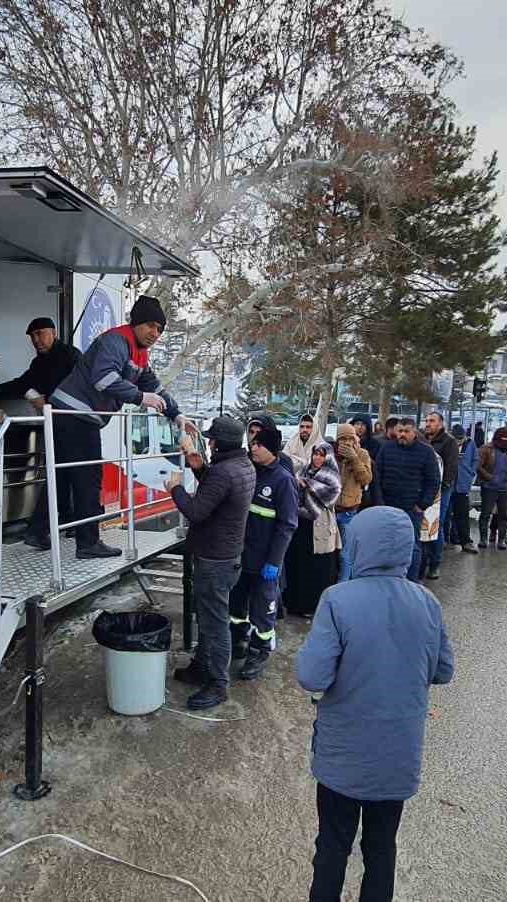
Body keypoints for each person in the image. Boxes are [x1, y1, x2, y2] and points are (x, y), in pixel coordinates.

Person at [297, 506, 455, 902]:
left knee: (333, 846)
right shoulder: (427, 603)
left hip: (342, 756)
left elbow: (312, 676)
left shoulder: (337, 600)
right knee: (382, 850)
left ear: (358, 545)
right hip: (397, 757)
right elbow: (444, 670)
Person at [31, 296, 181, 557]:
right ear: (135, 323)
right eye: (150, 326)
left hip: (67, 413)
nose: (155, 333)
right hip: (76, 414)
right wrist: (140, 398)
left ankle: (36, 531)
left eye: (159, 329)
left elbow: (154, 386)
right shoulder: (116, 341)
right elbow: (104, 379)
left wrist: (178, 415)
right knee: (89, 479)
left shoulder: (138, 354)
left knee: (63, 475)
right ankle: (88, 543)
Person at [167, 416, 256, 709]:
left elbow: (197, 511)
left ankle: (218, 684)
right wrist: (198, 467)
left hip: (214, 560)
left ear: (220, 443)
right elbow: (219, 493)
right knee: (207, 617)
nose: (210, 443)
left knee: (215, 623)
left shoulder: (224, 471)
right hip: (227, 556)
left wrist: (175, 488)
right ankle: (200, 667)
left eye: (212, 439)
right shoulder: (243, 466)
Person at [228, 426, 298, 681]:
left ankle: (259, 652)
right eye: (252, 443)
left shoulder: (283, 480)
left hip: (265, 561)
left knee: (263, 610)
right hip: (241, 556)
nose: (252, 448)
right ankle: (238, 641)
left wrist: (274, 562)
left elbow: (288, 525)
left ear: (272, 449)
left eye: (258, 444)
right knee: (237, 605)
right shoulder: (249, 472)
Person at [371, 420, 440, 581]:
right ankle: (388, 577)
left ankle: (411, 580)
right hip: (388, 505)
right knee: (386, 543)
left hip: (412, 508)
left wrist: (422, 504)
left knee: (412, 545)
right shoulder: (387, 448)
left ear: (414, 432)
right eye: (400, 431)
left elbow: (433, 481)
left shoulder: (426, 452)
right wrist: (380, 502)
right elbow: (377, 477)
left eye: (406, 431)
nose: (402, 434)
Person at [284, 442, 343, 617]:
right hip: (301, 525)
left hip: (320, 527)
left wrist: (307, 484)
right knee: (298, 565)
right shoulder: (303, 471)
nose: (317, 458)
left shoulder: (332, 476)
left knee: (319, 568)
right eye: (315, 454)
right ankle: (295, 604)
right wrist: (301, 484)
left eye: (321, 454)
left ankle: (313, 606)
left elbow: (331, 496)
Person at [0, 317, 80, 413]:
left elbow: (78, 388)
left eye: (39, 333)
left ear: (54, 333)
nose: (35, 340)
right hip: (51, 418)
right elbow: (22, 384)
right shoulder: (38, 362)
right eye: (32, 336)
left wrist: (47, 400)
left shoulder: (71, 355)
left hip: (73, 417)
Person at [420, 412, 460, 579]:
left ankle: (435, 563)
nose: (428, 423)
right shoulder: (421, 438)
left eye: (432, 421)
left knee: (437, 524)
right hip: (423, 487)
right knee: (422, 524)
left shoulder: (449, 442)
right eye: (427, 420)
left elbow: (451, 466)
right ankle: (421, 560)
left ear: (441, 423)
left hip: (441, 489)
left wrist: (444, 486)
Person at [332, 424, 373, 579]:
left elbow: (366, 479)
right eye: (343, 439)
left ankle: (342, 585)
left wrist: (354, 459)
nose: (347, 442)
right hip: (330, 510)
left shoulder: (362, 454)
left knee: (346, 554)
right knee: (330, 552)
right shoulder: (330, 453)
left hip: (349, 511)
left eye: (351, 438)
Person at [476, 428, 507, 549]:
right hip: (489, 487)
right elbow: (478, 466)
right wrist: (490, 478)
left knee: (504, 514)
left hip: (506, 487)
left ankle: (501, 540)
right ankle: (483, 539)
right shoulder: (486, 448)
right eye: (505, 439)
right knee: (485, 514)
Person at [450, 425, 478, 554]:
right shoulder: (448, 443)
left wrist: (470, 473)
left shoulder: (471, 444)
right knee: (445, 515)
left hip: (462, 484)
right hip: (448, 484)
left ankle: (466, 541)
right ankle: (449, 538)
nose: (459, 441)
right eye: (457, 439)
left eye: (461, 439)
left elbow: (475, 460)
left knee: (462, 514)